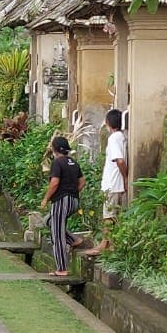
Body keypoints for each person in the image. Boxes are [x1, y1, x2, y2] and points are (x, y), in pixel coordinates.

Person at [39, 137, 85, 277]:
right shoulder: (74, 163)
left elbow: (54, 183)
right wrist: (72, 192)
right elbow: (82, 182)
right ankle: (74, 240)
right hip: (74, 201)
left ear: (55, 149)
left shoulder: (57, 163)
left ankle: (61, 269)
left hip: (61, 201)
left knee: (57, 234)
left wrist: (46, 199)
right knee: (49, 221)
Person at [85, 110, 129, 255]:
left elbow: (120, 160)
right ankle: (111, 244)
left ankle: (105, 243)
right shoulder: (121, 137)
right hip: (115, 183)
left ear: (108, 123)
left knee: (109, 216)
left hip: (113, 183)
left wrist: (125, 177)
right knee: (113, 215)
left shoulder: (114, 138)